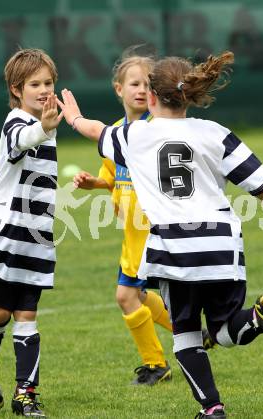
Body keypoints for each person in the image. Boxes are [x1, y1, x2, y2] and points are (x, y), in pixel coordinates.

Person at [57, 51, 263, 418]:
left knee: (186, 336)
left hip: (175, 249)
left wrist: (73, 118)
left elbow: (97, 131)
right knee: (223, 330)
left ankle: (211, 408)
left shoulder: (137, 134)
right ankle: (257, 318)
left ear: (151, 97)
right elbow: (250, 171)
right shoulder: (214, 132)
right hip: (221, 245)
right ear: (189, 95)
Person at [0, 48, 63, 418]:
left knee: (26, 313)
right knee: (2, 310)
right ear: (16, 89)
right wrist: (45, 127)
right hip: (6, 234)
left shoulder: (45, 125)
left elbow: (6, 167)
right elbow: (19, 143)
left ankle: (26, 395)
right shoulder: (18, 121)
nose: (42, 89)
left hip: (36, 235)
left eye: (48, 82)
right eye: (34, 84)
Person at [73, 51, 174, 385]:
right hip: (133, 235)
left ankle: (158, 362)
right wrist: (96, 183)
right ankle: (191, 339)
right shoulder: (114, 132)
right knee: (133, 296)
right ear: (119, 89)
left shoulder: (156, 131)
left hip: (156, 233)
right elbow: (114, 177)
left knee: (127, 295)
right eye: (134, 84)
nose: (141, 90)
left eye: (148, 84)